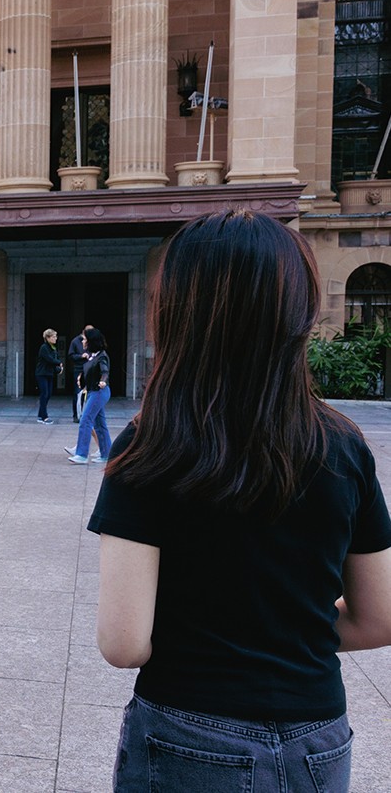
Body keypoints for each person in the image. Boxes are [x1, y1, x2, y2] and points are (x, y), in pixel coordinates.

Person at [90, 209, 391, 792]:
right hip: (318, 738)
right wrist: (287, 629)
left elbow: (123, 643)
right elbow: (380, 616)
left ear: (179, 312)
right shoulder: (343, 445)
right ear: (298, 312)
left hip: (187, 732)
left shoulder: (152, 444)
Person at [66, 327, 110, 464]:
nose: (82, 341)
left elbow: (104, 371)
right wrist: (82, 378)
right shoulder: (93, 355)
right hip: (93, 392)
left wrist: (103, 381)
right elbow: (90, 370)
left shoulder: (101, 356)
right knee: (99, 424)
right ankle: (106, 454)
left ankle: (82, 454)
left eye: (85, 339)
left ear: (91, 341)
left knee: (85, 420)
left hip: (98, 392)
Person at [35, 328, 61, 425]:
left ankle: (40, 415)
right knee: (44, 393)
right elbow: (49, 359)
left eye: (56, 336)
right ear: (48, 338)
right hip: (42, 373)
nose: (56, 338)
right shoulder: (44, 347)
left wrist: (58, 368)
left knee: (48, 394)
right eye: (53, 336)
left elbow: (55, 359)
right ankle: (44, 417)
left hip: (49, 373)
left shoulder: (53, 348)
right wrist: (59, 363)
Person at [68, 325, 90, 423]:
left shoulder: (91, 341)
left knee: (89, 393)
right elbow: (71, 355)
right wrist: (81, 356)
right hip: (79, 369)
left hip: (89, 369)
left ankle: (86, 414)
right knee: (78, 392)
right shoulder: (75, 341)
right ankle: (76, 415)